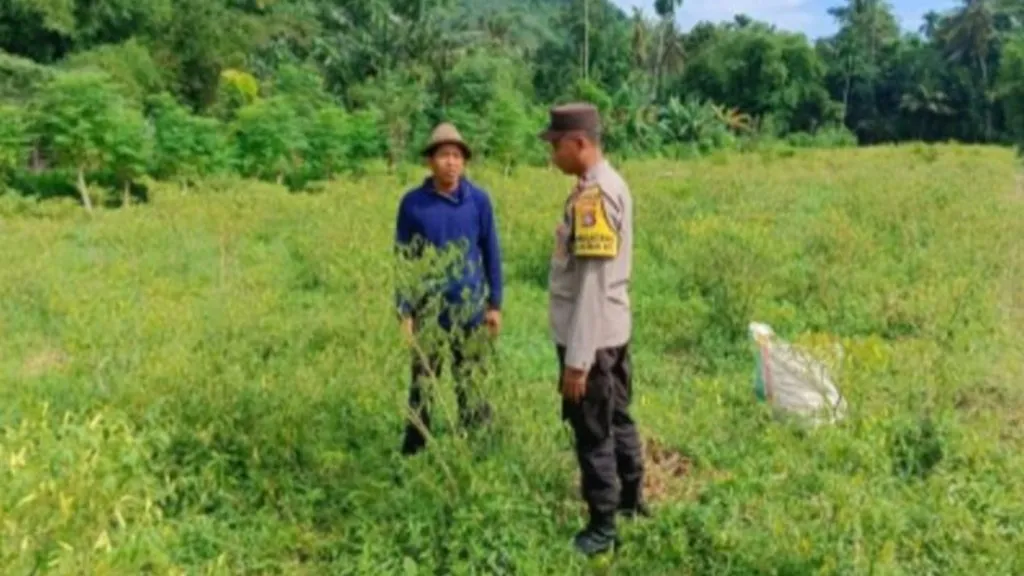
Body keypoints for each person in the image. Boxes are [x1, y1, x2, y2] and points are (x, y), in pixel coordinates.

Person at [539, 103, 647, 556]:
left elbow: (591, 285)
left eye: (556, 145)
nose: (552, 155)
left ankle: (603, 526)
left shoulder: (595, 198)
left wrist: (577, 361)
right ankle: (631, 502)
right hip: (612, 333)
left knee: (593, 432)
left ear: (579, 143)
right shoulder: (606, 184)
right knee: (618, 417)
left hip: (592, 340)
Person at [394, 122, 503, 456]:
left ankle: (476, 447)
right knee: (423, 382)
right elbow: (404, 258)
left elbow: (491, 252)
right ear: (430, 161)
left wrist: (495, 304)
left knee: (471, 380)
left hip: (469, 310)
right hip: (428, 311)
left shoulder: (478, 201)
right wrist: (404, 310)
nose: (451, 162)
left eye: (457, 155)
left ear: (464, 161)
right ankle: (415, 451)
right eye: (444, 155)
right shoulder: (413, 204)